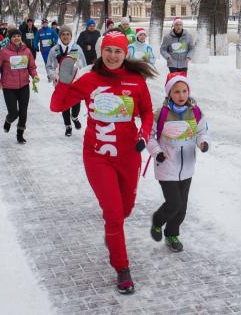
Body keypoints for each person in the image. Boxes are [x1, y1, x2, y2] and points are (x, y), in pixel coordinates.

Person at [50, 31, 156, 295]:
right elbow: (57, 106)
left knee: (125, 210)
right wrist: (64, 82)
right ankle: (122, 268)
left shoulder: (135, 81)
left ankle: (113, 234)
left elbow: (146, 111)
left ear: (125, 54)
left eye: (117, 51)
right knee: (113, 215)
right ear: (101, 52)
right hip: (97, 156)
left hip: (129, 154)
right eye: (108, 50)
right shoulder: (90, 79)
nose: (112, 56)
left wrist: (143, 134)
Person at [147, 72, 209, 252]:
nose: (181, 95)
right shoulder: (160, 114)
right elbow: (150, 137)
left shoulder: (196, 112)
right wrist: (157, 152)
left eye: (184, 91)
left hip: (187, 166)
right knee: (174, 203)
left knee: (182, 208)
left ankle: (172, 234)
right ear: (169, 94)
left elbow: (201, 132)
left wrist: (203, 143)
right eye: (176, 92)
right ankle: (158, 221)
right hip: (166, 165)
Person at [0, 28, 39, 144]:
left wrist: (35, 76)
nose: (16, 38)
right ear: (10, 39)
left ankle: (20, 135)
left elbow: (31, 67)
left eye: (18, 36)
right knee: (13, 113)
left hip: (24, 86)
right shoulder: (4, 52)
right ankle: (8, 120)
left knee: (23, 112)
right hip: (8, 87)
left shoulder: (27, 51)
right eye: (14, 36)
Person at [46, 24, 87, 137]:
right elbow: (49, 66)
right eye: (63, 34)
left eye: (68, 34)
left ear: (71, 36)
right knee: (64, 104)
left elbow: (83, 64)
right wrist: (52, 75)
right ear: (60, 36)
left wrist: (83, 76)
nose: (65, 36)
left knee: (76, 102)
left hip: (75, 81)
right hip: (61, 82)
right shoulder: (55, 50)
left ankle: (74, 117)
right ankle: (68, 126)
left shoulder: (77, 48)